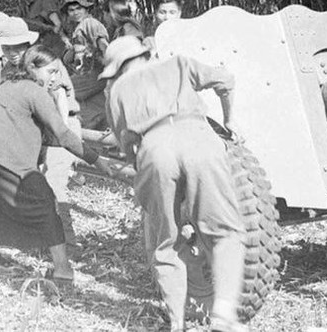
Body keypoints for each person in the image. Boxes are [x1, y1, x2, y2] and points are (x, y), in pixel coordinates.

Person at [101, 36, 246, 332]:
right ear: (146, 54)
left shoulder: (117, 90)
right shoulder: (178, 63)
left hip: (154, 149)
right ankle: (223, 313)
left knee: (167, 243)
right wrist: (231, 120)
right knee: (226, 231)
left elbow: (124, 142)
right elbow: (226, 80)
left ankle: (177, 322)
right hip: (198, 139)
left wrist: (143, 163)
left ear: (117, 69)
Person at [0, 44, 113, 284]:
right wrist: (97, 160)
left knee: (5, 194)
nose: (55, 77)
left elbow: (43, 135)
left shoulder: (7, 86)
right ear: (32, 68)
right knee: (43, 199)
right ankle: (63, 269)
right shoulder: (34, 90)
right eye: (51, 71)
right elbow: (62, 133)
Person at [0, 17, 82, 245]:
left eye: (18, 47)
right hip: (35, 131)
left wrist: (60, 137)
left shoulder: (45, 61)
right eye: (7, 47)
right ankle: (39, 235)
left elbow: (60, 99)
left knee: (54, 181)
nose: (13, 52)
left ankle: (67, 239)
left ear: (27, 45)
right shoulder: (8, 70)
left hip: (61, 126)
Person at [62, 0, 110, 130]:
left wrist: (112, 68)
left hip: (95, 73)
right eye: (71, 10)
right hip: (88, 74)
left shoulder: (89, 23)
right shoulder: (78, 27)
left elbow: (103, 45)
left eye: (79, 9)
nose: (75, 12)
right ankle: (96, 120)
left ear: (86, 9)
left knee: (64, 90)